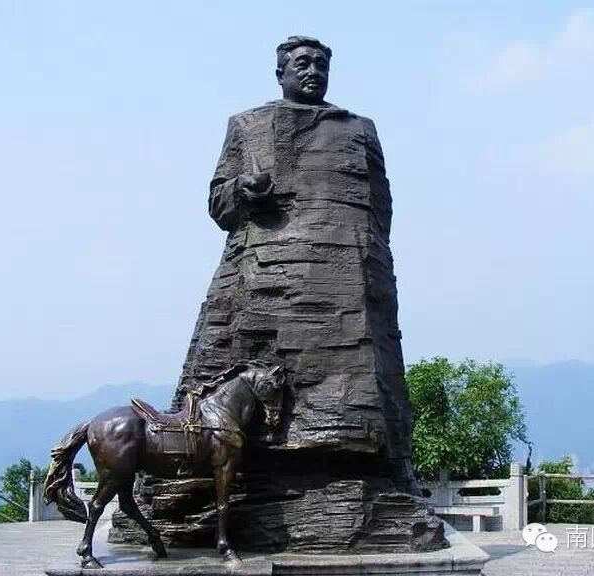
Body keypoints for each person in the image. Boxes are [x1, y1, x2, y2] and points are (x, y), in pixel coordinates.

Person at [174, 36, 415, 491]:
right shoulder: (248, 125)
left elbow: (380, 209)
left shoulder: (358, 129)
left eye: (321, 65)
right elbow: (218, 205)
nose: (313, 72)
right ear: (280, 73)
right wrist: (242, 189)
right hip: (264, 275)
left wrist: (374, 265)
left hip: (345, 281)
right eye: (302, 64)